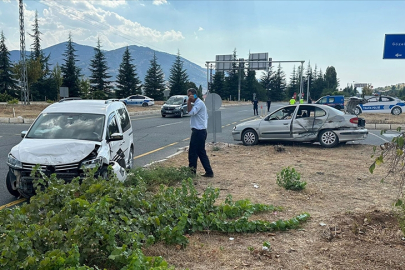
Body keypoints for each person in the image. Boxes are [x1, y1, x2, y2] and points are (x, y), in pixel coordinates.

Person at [187, 88, 214, 178]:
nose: (189, 97)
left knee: (192, 152)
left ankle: (191, 172)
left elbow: (191, 112)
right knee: (201, 152)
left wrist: (188, 102)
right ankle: (209, 171)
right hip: (200, 131)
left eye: (190, 95)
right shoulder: (199, 103)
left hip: (198, 131)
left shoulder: (199, 103)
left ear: (194, 95)